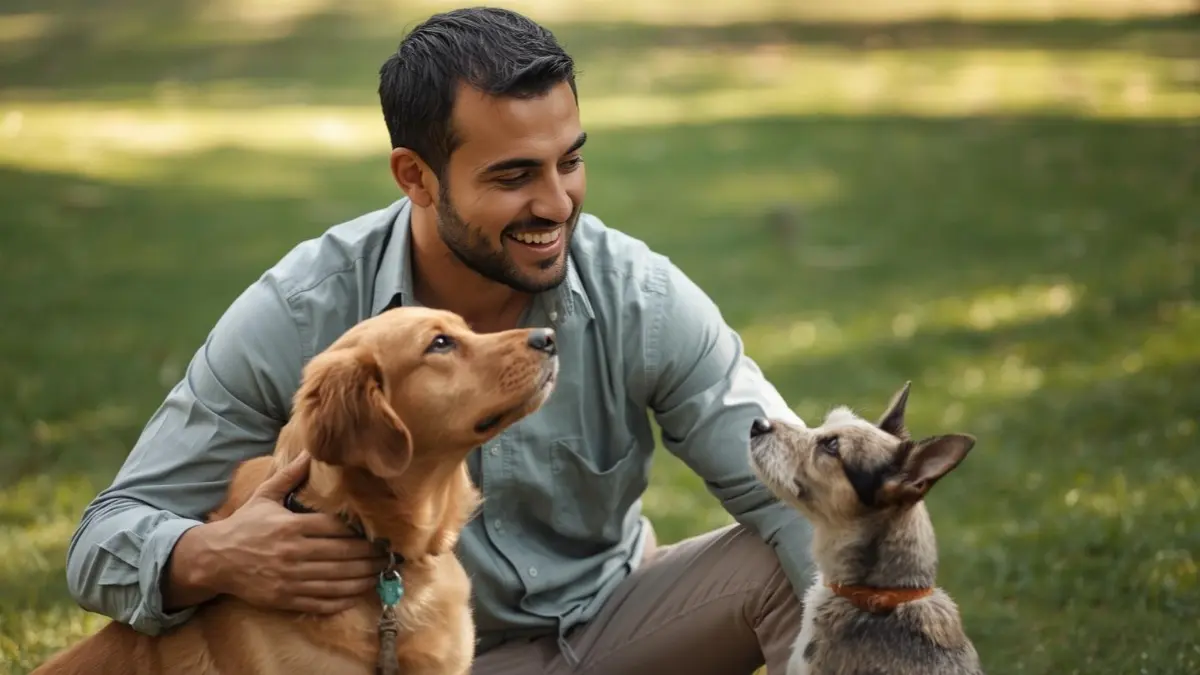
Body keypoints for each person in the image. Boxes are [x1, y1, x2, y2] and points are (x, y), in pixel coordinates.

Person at [64, 7, 813, 674]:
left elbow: (792, 493)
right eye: (515, 174)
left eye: (571, 161)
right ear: (416, 177)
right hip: (416, 653)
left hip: (617, 626)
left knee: (809, 555)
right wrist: (215, 554)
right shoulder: (301, 311)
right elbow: (104, 540)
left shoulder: (639, 297)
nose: (557, 203)